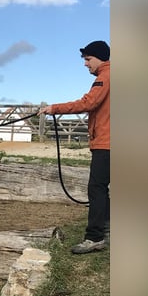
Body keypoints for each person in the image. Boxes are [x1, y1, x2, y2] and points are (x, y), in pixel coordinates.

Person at [40, 40, 110, 254]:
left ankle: (95, 237)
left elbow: (87, 103)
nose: (86, 64)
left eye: (88, 59)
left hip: (106, 143)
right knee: (102, 188)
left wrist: (54, 108)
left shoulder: (105, 77)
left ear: (100, 58)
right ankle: (105, 228)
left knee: (96, 189)